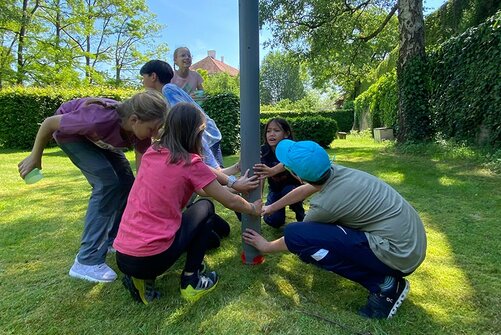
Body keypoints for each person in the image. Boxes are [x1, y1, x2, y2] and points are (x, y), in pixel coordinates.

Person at [243, 140, 427, 319]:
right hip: (410, 245)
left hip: (399, 255)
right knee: (309, 240)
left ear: (297, 175)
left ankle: (383, 285)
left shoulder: (326, 205)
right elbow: (307, 189)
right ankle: (382, 276)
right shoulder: (336, 172)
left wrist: (266, 246)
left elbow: (298, 237)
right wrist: (271, 207)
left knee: (296, 236)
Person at [113, 102, 262, 304]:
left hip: (123, 256)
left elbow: (203, 184)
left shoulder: (152, 152)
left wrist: (234, 175)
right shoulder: (190, 162)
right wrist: (253, 208)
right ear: (196, 133)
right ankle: (191, 280)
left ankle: (140, 278)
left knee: (212, 237)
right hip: (152, 258)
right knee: (205, 208)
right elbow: (227, 200)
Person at [18, 90, 167, 283]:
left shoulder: (139, 131)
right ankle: (86, 260)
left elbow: (142, 171)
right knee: (107, 184)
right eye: (152, 129)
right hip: (71, 136)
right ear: (134, 120)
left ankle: (114, 239)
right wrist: (35, 157)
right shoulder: (97, 118)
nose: (155, 135)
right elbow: (49, 123)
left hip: (99, 140)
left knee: (128, 184)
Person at [253, 118, 304, 228]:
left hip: (293, 187)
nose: (271, 134)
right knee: (274, 221)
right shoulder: (263, 151)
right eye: (268, 131)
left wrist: (272, 171)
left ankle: (299, 212)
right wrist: (259, 199)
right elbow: (261, 177)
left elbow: (288, 161)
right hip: (275, 190)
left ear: (286, 134)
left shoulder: (292, 148)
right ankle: (278, 213)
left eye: (276, 131)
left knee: (288, 191)